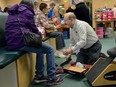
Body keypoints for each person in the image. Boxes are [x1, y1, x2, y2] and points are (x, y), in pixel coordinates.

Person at [5, 0, 63, 86]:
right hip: (20, 41)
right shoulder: (27, 12)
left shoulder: (13, 12)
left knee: (40, 49)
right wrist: (40, 37)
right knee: (50, 49)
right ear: (31, 6)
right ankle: (52, 78)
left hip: (11, 42)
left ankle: (39, 76)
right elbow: (34, 29)